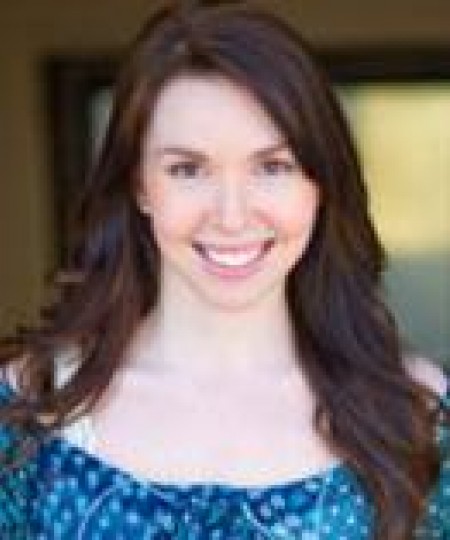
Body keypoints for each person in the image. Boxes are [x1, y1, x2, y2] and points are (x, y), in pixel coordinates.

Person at [1, 1, 449, 538]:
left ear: (320, 186)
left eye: (273, 166)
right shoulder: (31, 411)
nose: (232, 216)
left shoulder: (416, 416)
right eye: (188, 169)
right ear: (140, 186)